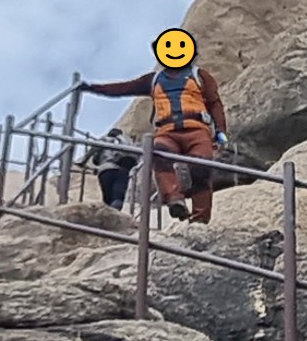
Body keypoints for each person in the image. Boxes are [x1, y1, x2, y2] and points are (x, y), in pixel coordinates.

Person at [76, 52, 228, 222]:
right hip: (167, 130)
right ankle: (174, 199)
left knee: (201, 169)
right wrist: (93, 88)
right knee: (159, 154)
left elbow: (214, 103)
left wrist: (220, 131)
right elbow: (124, 88)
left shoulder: (200, 76)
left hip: (197, 129)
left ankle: (200, 218)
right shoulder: (154, 79)